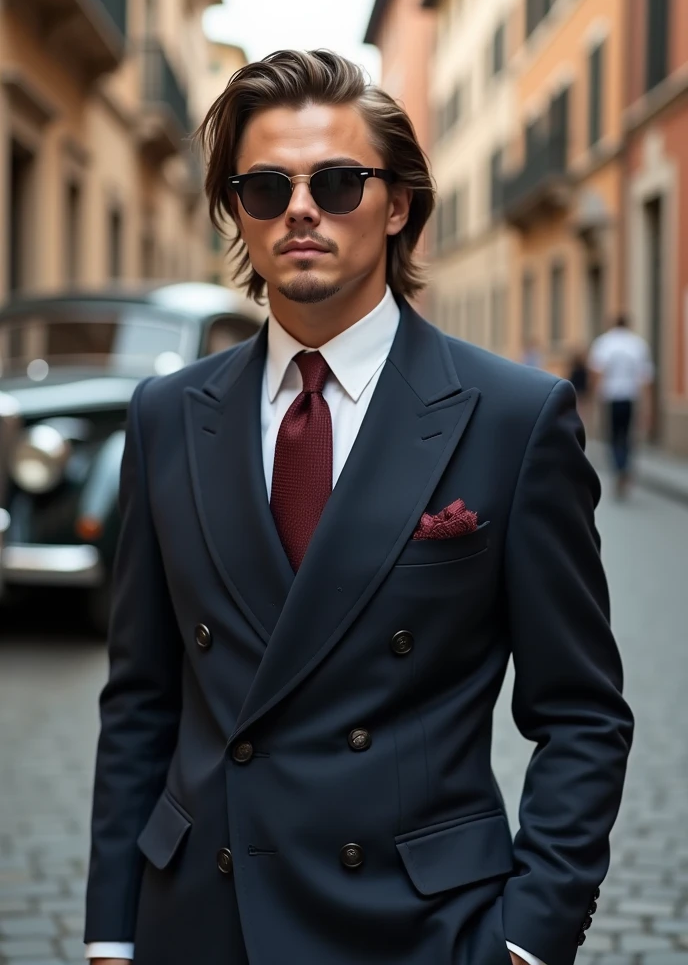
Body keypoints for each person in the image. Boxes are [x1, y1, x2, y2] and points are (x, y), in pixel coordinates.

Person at [85, 50, 633, 965]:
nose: (301, 209)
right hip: (202, 921)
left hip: (417, 930)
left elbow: (581, 714)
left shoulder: (512, 418)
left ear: (399, 205)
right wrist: (111, 933)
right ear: (237, 214)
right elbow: (141, 700)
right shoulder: (167, 417)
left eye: (339, 182)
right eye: (265, 187)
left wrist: (529, 940)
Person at [589, 314, 654, 499]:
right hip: (630, 396)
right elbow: (646, 378)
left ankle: (618, 468)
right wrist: (648, 408)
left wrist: (595, 399)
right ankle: (624, 467)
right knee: (626, 435)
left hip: (610, 397)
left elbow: (597, 373)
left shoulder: (604, 343)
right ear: (629, 325)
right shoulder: (638, 344)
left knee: (612, 435)